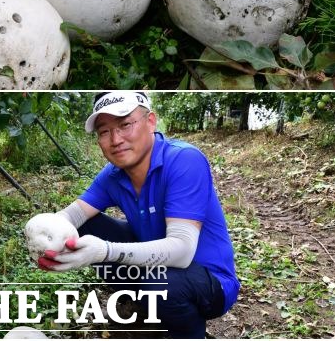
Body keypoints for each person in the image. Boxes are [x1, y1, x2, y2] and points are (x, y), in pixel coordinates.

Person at [37, 91, 240, 338]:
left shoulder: (183, 160)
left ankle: (188, 332)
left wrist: (105, 251)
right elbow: (73, 215)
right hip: (155, 268)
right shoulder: (113, 174)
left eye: (125, 125)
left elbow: (183, 251)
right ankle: (143, 301)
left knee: (162, 285)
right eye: (104, 131)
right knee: (85, 227)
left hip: (209, 280)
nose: (115, 139)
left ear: (150, 122)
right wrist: (43, 234)